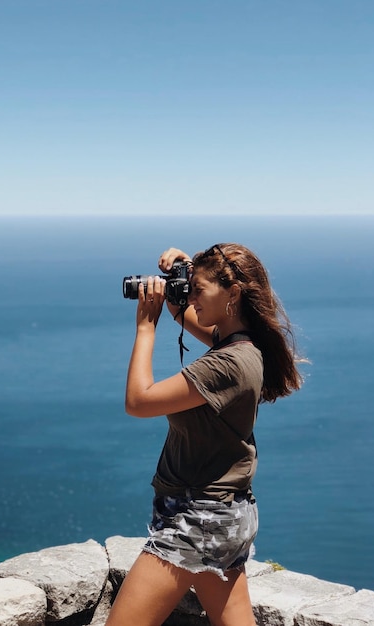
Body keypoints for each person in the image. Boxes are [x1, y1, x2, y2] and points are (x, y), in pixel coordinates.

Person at [106, 244, 303, 626]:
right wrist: (183, 273)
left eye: (199, 290)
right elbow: (188, 314)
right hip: (224, 512)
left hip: (197, 518)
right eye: (191, 289)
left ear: (234, 293)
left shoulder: (228, 363)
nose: (192, 300)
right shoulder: (240, 345)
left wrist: (146, 326)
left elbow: (138, 401)